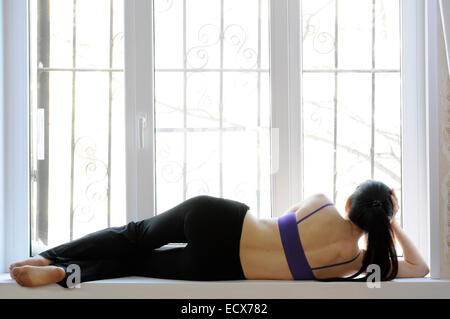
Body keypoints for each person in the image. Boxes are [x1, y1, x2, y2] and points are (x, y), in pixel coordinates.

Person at [9, 180, 429, 287]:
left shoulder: (321, 202)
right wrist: (391, 223)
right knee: (135, 262)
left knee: (131, 235)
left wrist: (383, 210)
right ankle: (67, 275)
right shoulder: (353, 263)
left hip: (220, 219)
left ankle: (49, 257)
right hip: (220, 267)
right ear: (383, 221)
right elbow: (420, 267)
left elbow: (286, 221)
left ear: (350, 201)